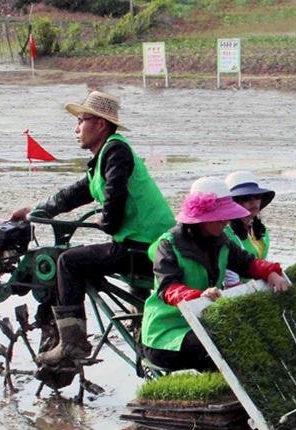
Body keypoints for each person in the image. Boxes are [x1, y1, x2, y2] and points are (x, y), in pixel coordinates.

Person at [9, 91, 176, 367]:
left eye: (81, 121)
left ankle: (72, 344)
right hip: (143, 245)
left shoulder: (115, 151)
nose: (76, 129)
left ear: (100, 123)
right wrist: (34, 211)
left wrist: (105, 222)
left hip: (146, 248)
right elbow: (72, 194)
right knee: (78, 256)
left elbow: (115, 202)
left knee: (68, 262)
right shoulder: (103, 159)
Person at [141, 177, 290, 372]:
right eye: (221, 218)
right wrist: (198, 296)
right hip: (167, 336)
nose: (226, 222)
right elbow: (168, 288)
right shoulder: (168, 245)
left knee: (247, 338)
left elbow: (248, 263)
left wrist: (271, 273)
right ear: (202, 218)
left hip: (203, 323)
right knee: (225, 343)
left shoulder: (221, 240)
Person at [222, 171, 275, 287]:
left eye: (257, 196)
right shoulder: (225, 234)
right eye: (246, 198)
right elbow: (231, 281)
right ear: (234, 203)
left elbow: (266, 262)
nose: (253, 202)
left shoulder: (261, 230)